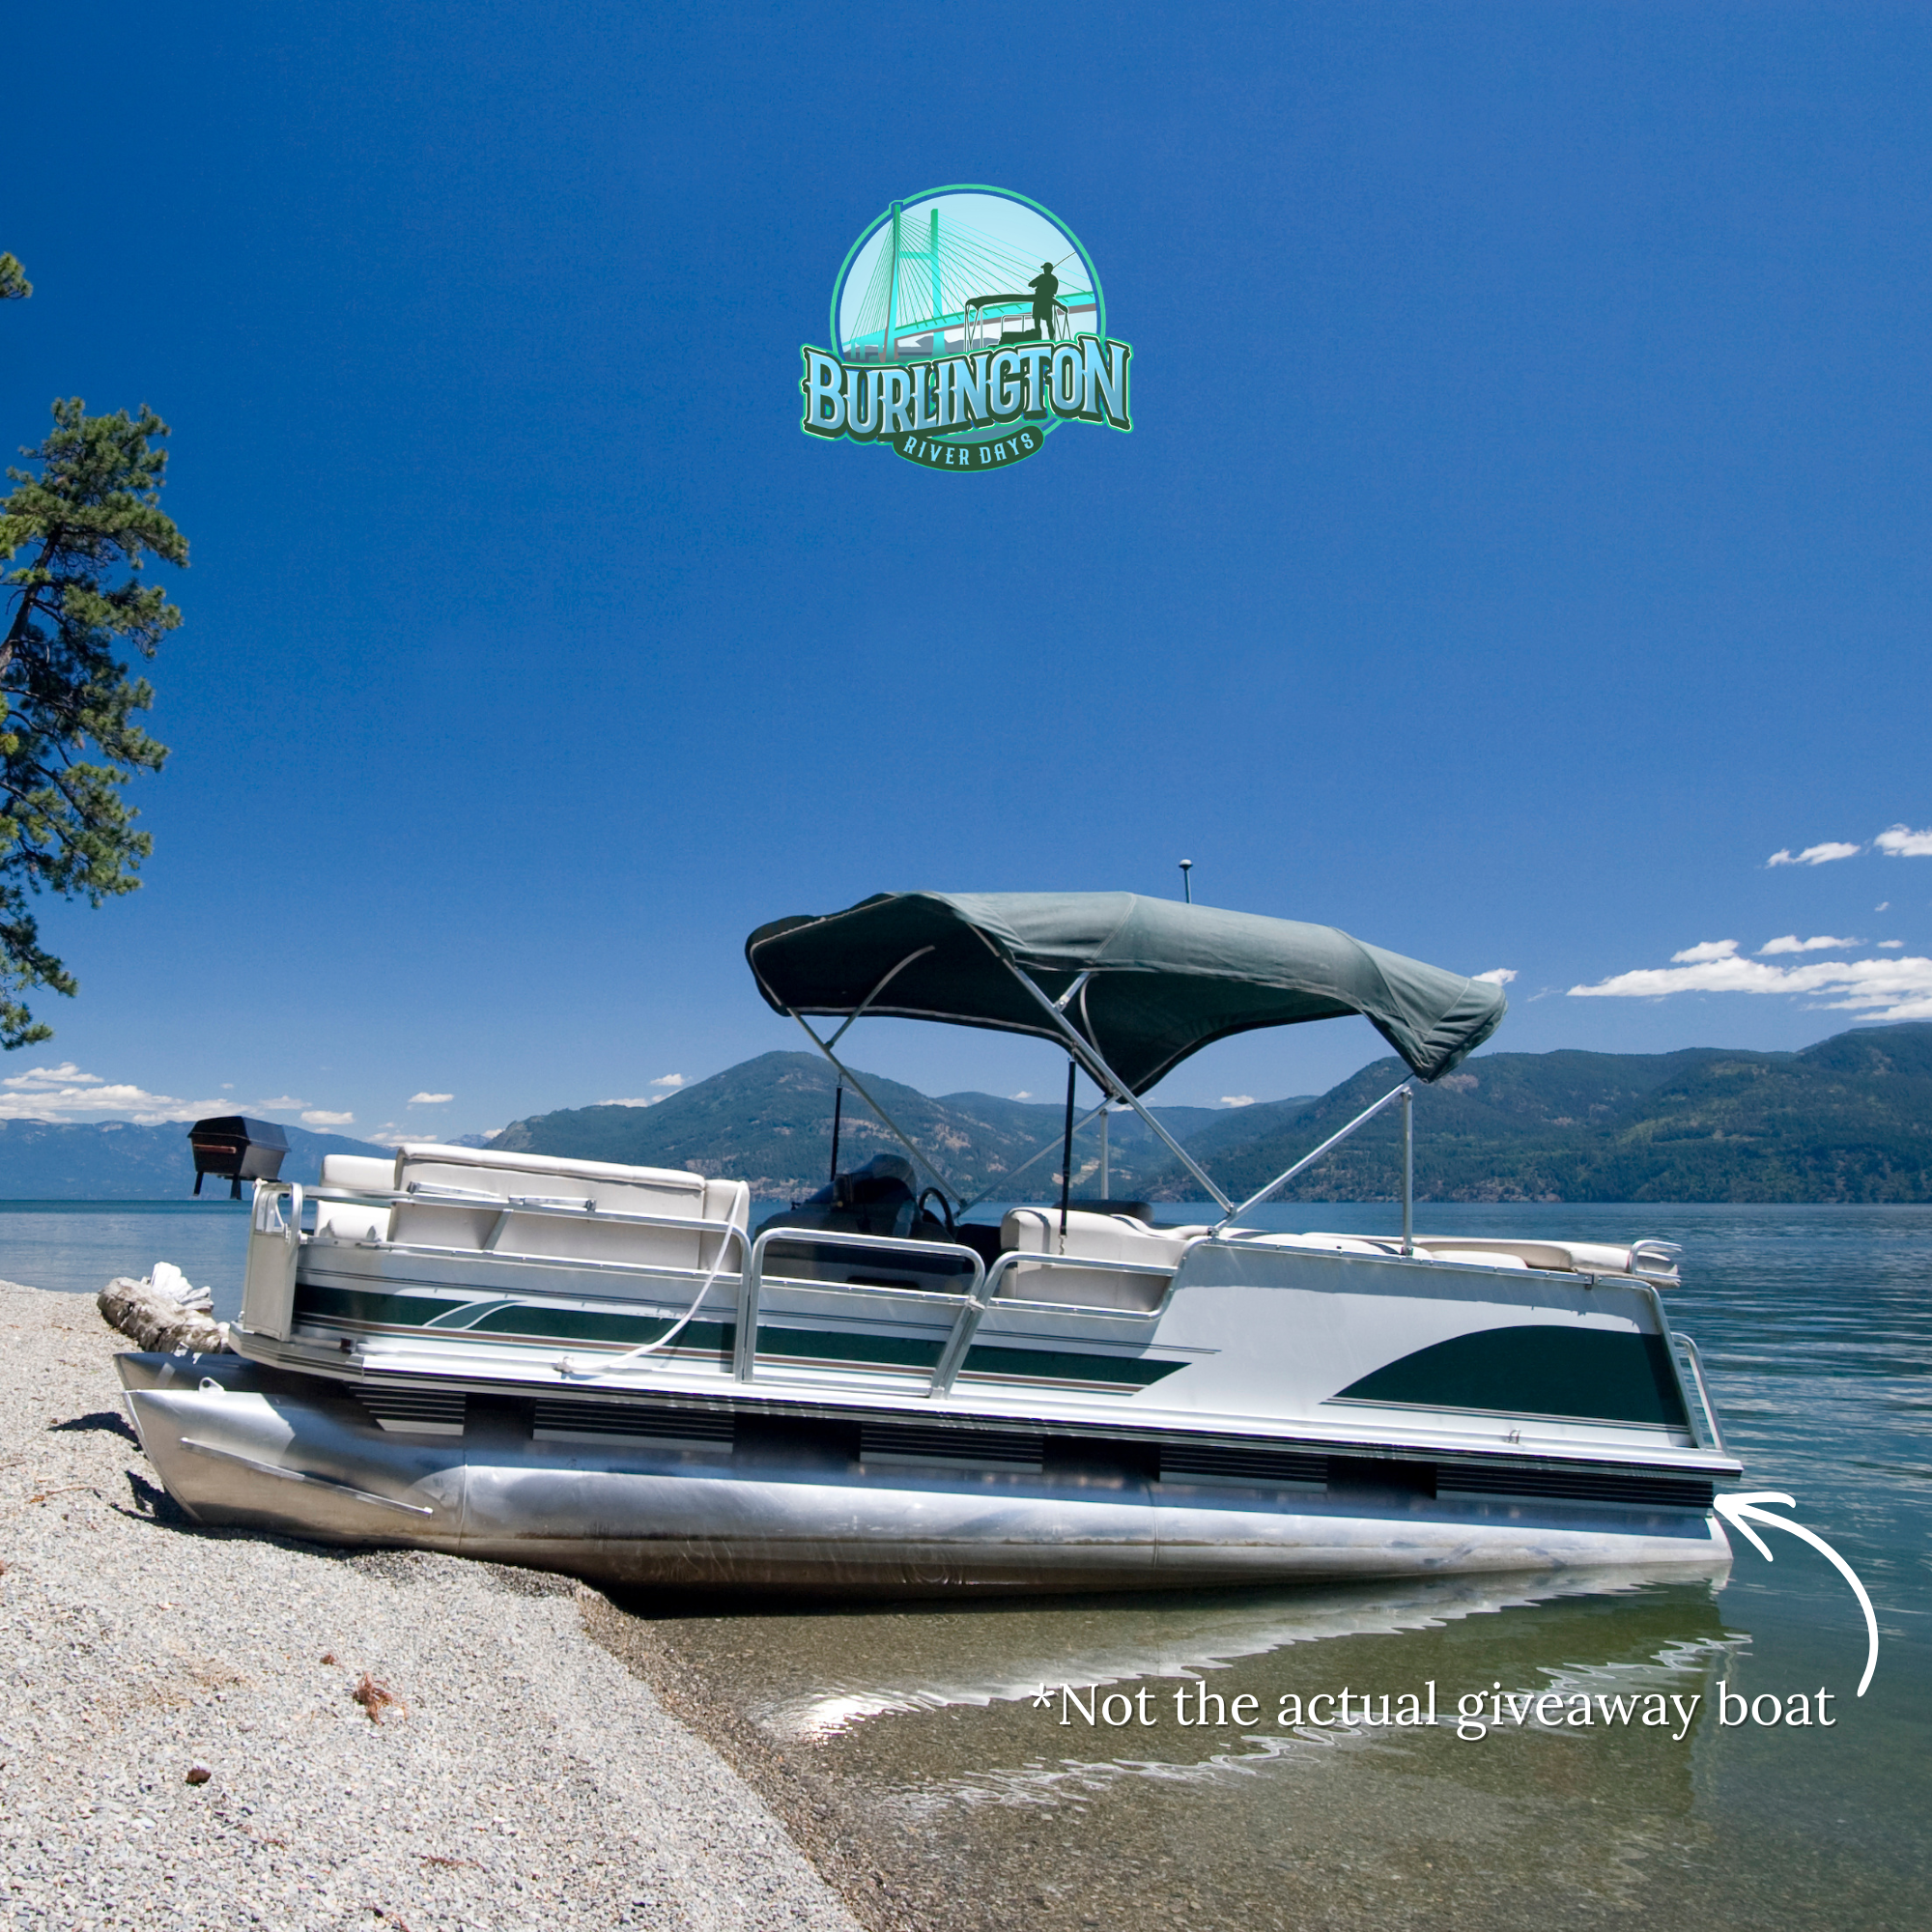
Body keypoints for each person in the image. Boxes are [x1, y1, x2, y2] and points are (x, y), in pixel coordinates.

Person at [1028, 261, 1060, 340]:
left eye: (1044, 268)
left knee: (1037, 323)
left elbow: (1030, 284)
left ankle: (1038, 339)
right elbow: (1054, 292)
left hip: (1038, 302)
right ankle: (1052, 340)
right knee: (1049, 323)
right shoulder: (1054, 279)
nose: (1044, 270)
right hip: (1048, 304)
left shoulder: (1041, 277)